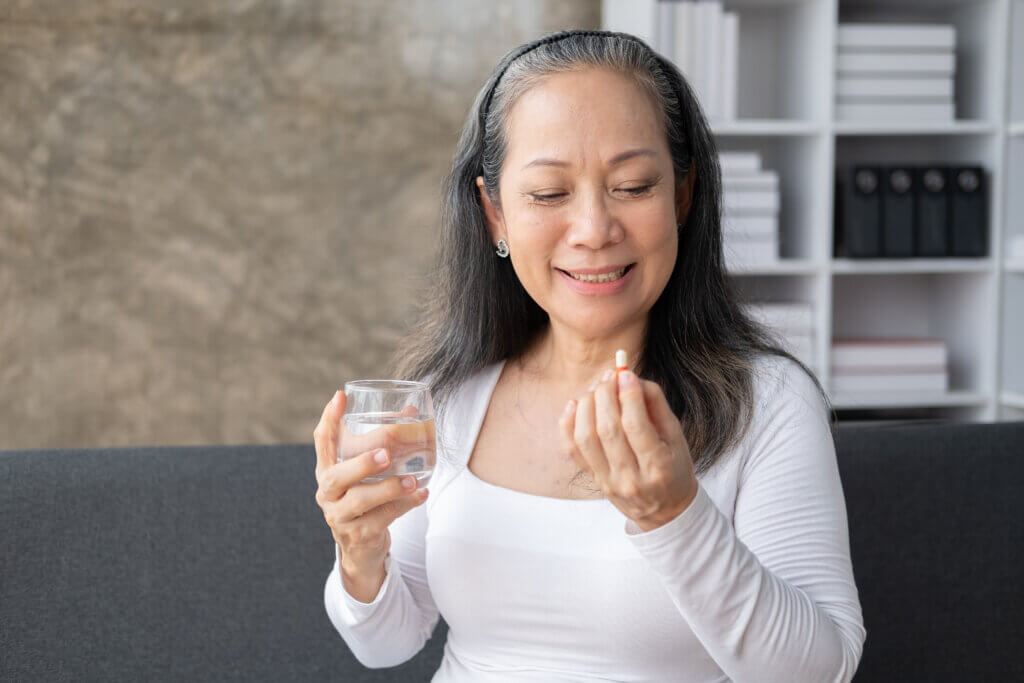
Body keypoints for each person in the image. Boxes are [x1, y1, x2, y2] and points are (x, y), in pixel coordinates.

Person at [313, 29, 865, 682]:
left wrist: (676, 516)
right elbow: (388, 642)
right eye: (549, 194)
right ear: (494, 213)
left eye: (633, 186)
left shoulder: (767, 403)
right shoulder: (450, 394)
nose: (595, 230)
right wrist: (360, 551)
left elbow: (821, 670)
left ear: (682, 195)